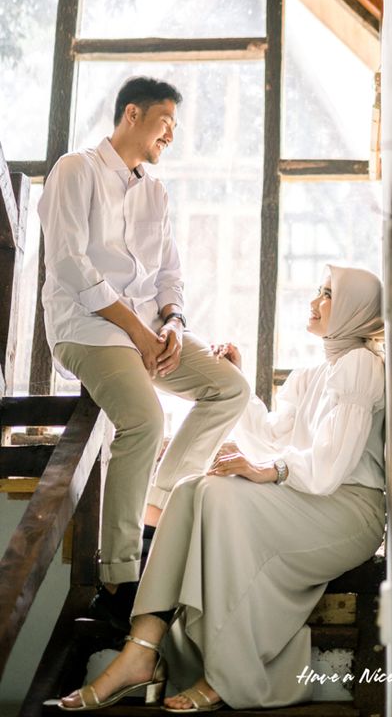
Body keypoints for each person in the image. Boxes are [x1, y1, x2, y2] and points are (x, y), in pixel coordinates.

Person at [56, 264, 387, 711]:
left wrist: (270, 472)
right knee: (194, 486)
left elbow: (331, 465)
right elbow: (271, 437)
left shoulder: (361, 366)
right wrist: (243, 385)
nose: (314, 300)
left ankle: (226, 674)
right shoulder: (311, 373)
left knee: (218, 492)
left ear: (353, 309)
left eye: (327, 293)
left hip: (349, 512)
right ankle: (142, 648)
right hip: (308, 500)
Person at [38, 76, 249, 628]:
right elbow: (67, 263)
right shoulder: (75, 169)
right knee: (143, 420)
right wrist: (137, 330)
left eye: (175, 127)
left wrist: (175, 323)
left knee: (230, 387)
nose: (171, 136)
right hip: (88, 328)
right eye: (165, 123)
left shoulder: (156, 190)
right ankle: (119, 574)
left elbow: (170, 275)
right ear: (132, 114)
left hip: (151, 332)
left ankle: (156, 504)